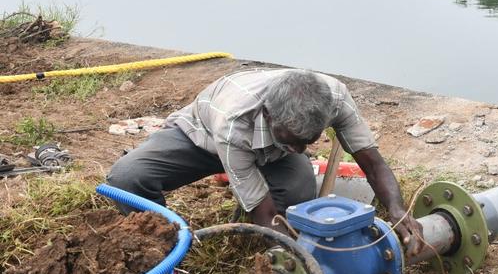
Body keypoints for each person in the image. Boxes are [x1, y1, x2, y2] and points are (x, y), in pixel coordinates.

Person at [107, 68, 423, 254]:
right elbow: (263, 211)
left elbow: (373, 163)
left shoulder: (334, 97)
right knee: (127, 178)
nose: (300, 150)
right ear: (270, 116)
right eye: (292, 141)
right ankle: (167, 248)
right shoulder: (234, 120)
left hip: (270, 151)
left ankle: (263, 239)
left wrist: (398, 210)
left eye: (308, 142)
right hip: (204, 137)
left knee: (300, 193)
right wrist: (302, 260)